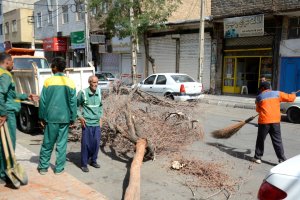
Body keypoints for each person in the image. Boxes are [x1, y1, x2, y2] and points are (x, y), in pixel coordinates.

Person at [0, 53, 37, 182]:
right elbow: (1, 94)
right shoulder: (5, 74)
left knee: (3, 143)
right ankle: (5, 172)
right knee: (9, 144)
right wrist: (3, 113)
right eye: (12, 62)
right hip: (8, 113)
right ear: (7, 62)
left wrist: (27, 96)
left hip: (6, 110)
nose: (13, 65)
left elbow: (11, 94)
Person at [37, 57, 77, 175]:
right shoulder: (70, 82)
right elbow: (73, 102)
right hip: (64, 119)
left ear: (55, 67)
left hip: (51, 118)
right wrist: (72, 117)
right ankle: (59, 169)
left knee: (47, 143)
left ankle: (43, 168)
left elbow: (42, 101)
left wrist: (41, 117)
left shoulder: (48, 81)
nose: (51, 68)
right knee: (62, 144)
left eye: (51, 66)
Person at [252, 82, 296, 164]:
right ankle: (282, 159)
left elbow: (258, 110)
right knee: (277, 140)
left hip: (264, 121)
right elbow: (291, 98)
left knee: (260, 140)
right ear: (270, 87)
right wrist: (293, 94)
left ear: (262, 88)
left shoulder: (259, 97)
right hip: (275, 121)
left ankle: (257, 157)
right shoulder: (277, 94)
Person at [77, 75, 103, 172]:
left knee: (96, 143)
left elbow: (101, 106)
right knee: (86, 144)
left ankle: (93, 160)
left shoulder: (99, 92)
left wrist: (101, 117)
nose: (95, 85)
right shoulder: (83, 93)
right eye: (93, 82)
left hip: (96, 123)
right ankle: (84, 164)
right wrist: (80, 117)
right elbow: (75, 106)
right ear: (89, 82)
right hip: (87, 123)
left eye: (97, 83)